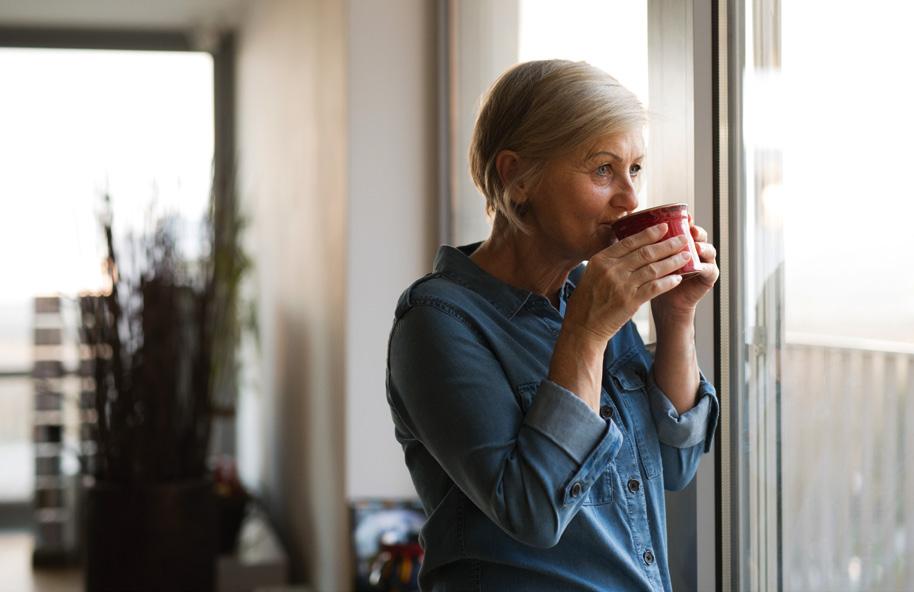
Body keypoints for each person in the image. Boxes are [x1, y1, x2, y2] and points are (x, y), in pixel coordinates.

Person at [385, 59, 719, 591]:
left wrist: (676, 317)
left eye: (635, 169)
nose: (630, 199)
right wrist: (585, 335)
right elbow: (533, 512)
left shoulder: (588, 295)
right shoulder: (437, 322)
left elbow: (675, 463)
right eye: (603, 170)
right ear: (515, 177)